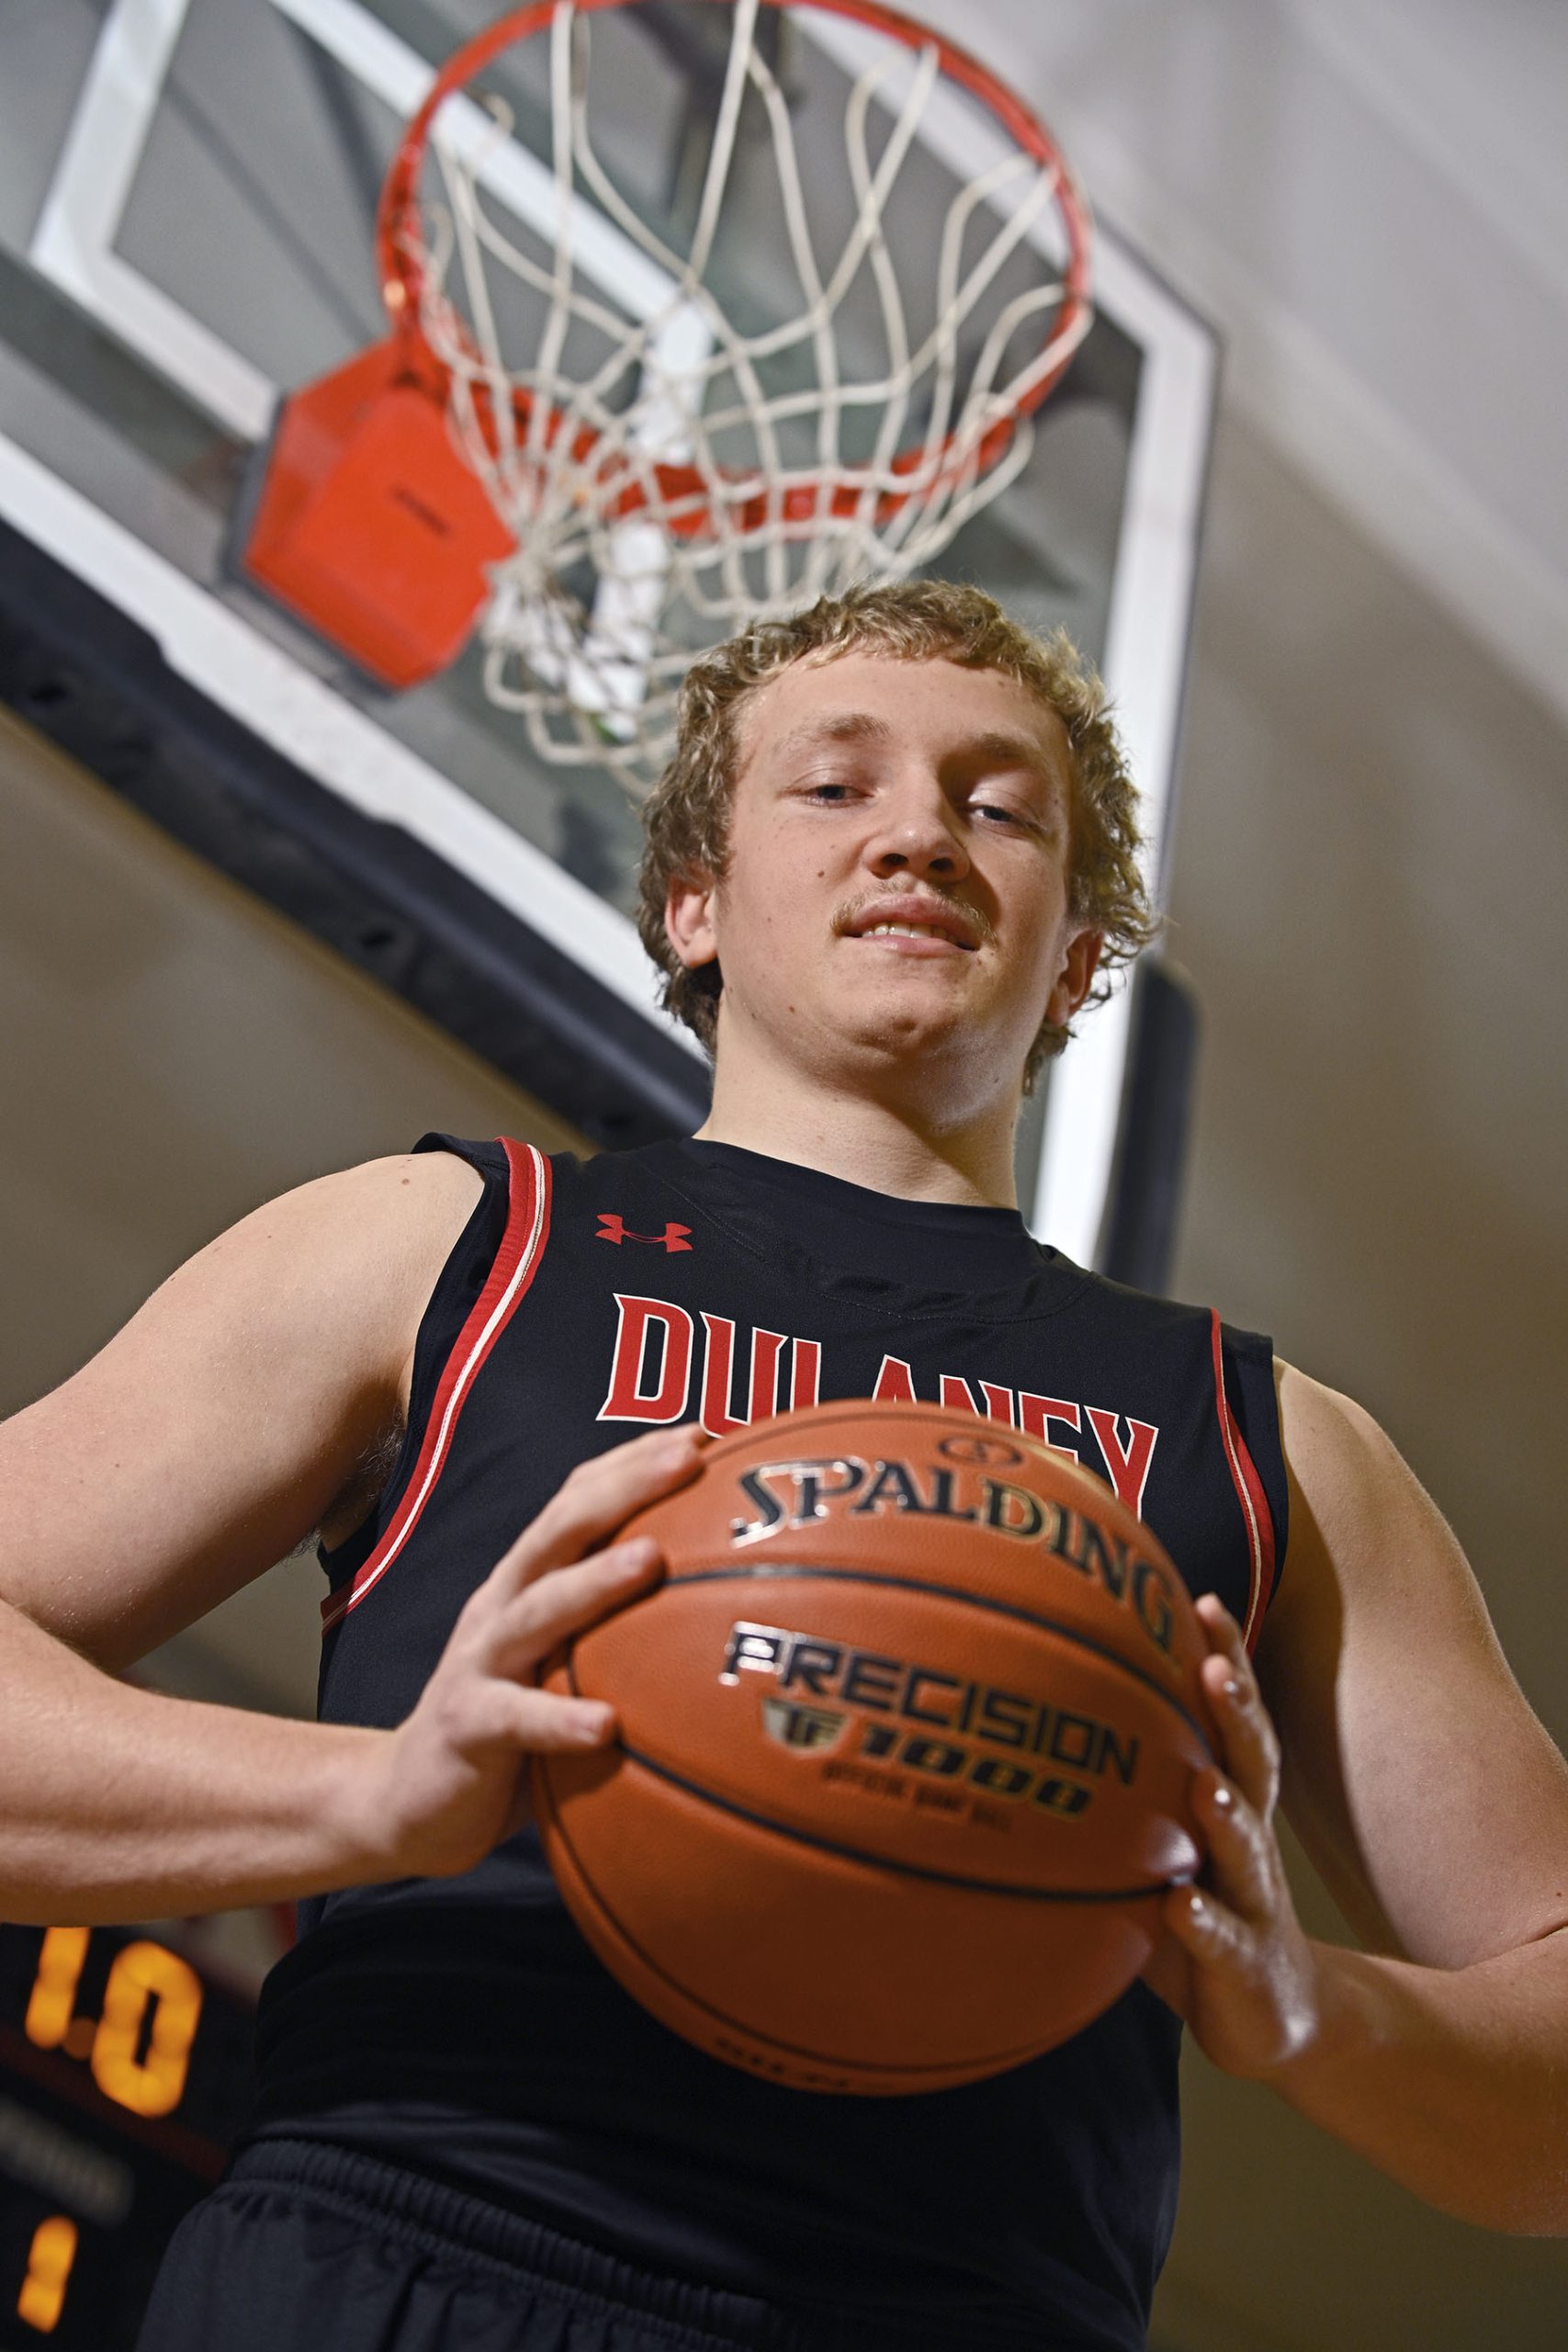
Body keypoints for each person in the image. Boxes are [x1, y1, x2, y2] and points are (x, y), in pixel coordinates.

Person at [2, 582, 1565, 2352]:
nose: (919, 830)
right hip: (412, 2253)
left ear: (1074, 956)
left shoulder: (1270, 1440)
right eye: (836, 786)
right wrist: (356, 1800)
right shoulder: (451, 1244)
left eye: (999, 805)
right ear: (694, 902)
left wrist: (1316, 2011)